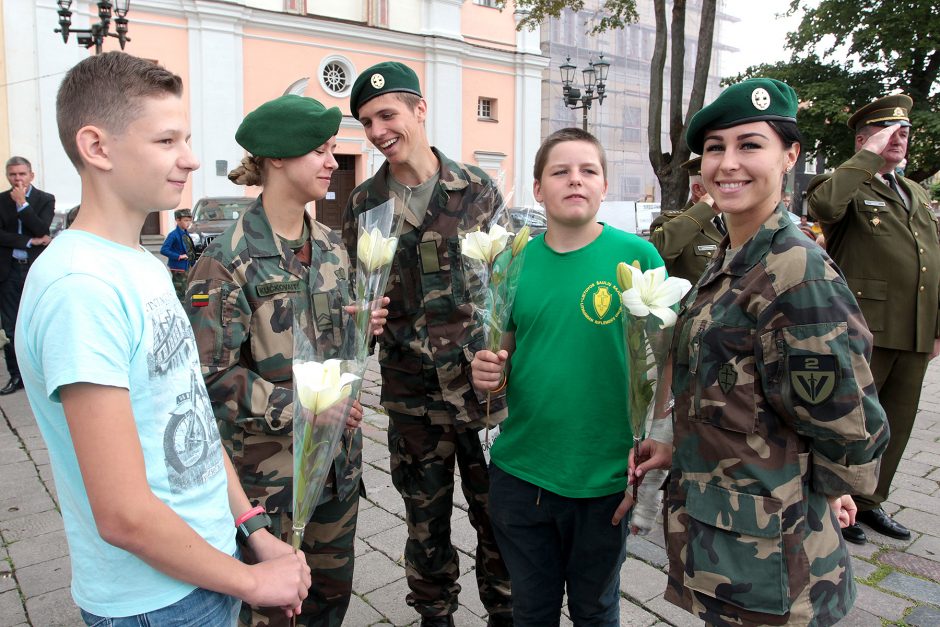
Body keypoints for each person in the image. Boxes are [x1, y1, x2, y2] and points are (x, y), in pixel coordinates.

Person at [15, 52, 310, 626]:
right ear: (97, 147)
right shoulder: (81, 289)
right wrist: (252, 581)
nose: (191, 159)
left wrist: (250, 530)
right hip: (156, 602)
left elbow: (191, 415)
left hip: (206, 563)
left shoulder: (140, 263)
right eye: (167, 140)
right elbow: (123, 514)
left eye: (188, 138)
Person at [637, 78, 889, 626]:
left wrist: (832, 489)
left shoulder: (793, 268)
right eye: (715, 148)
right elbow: (733, 395)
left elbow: (849, 424)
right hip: (728, 538)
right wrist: (676, 447)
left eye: (750, 145)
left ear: (789, 155)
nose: (728, 163)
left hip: (774, 562)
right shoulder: (735, 258)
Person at [186, 94, 388, 627]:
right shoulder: (225, 261)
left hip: (336, 472)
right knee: (274, 615)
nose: (331, 162)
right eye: (318, 150)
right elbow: (210, 380)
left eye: (331, 149)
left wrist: (360, 332)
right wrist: (301, 405)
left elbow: (337, 353)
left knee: (328, 605)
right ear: (276, 158)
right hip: (267, 485)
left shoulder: (330, 246)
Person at [342, 61, 512, 627]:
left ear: (419, 110)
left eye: (386, 114)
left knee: (499, 521)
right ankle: (434, 615)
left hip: (481, 393)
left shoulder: (477, 190)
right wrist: (357, 322)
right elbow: (354, 297)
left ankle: (505, 613)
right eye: (366, 122)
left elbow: (507, 286)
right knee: (424, 521)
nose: (377, 130)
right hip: (411, 398)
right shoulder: (366, 206)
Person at [471, 127, 664, 625]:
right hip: (522, 471)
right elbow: (502, 360)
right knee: (530, 609)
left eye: (588, 171)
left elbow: (664, 366)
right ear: (538, 189)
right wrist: (487, 374)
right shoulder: (511, 264)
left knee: (595, 608)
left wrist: (655, 446)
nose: (574, 180)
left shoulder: (638, 258)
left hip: (604, 478)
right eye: (560, 171)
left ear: (603, 186)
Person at [808, 93, 937, 545]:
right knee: (852, 421)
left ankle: (871, 502)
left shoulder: (914, 192)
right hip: (864, 327)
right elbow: (823, 207)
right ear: (864, 140)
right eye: (888, 131)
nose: (899, 137)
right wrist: (866, 157)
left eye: (904, 131)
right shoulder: (847, 184)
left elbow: (929, 258)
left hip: (914, 329)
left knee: (897, 422)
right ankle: (835, 501)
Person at [0, 156, 54, 395]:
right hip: (9, 270)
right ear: (7, 176)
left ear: (31, 175)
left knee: (37, 322)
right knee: (11, 327)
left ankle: (41, 374)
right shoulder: (1, 201)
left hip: (34, 269)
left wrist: (23, 204)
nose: (17, 179)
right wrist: (30, 241)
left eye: (22, 174)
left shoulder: (44, 199)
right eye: (13, 175)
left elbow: (42, 228)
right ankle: (16, 376)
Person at [649, 155, 723, 282]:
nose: (729, 189)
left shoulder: (735, 221)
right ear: (698, 190)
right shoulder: (670, 222)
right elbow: (658, 254)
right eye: (720, 184)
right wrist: (704, 207)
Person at [161, 207, 195, 302]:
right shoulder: (173, 235)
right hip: (178, 268)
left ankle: (185, 307)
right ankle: (180, 309)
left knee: (186, 289)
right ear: (177, 220)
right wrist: (179, 256)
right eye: (185, 220)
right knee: (180, 291)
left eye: (189, 220)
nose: (188, 223)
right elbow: (164, 250)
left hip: (186, 266)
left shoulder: (185, 233)